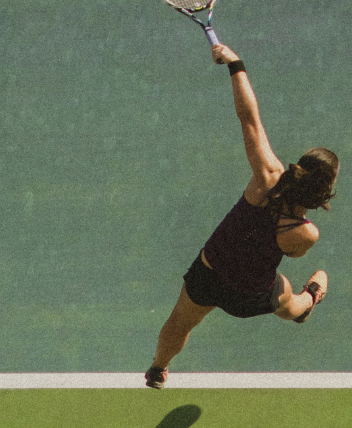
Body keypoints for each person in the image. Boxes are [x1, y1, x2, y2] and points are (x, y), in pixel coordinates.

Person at [145, 43, 339, 388]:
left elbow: (248, 117)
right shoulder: (306, 233)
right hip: (246, 295)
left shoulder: (267, 175)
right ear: (323, 193)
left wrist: (236, 65)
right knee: (288, 301)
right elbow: (290, 251)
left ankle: (158, 368)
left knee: (179, 323)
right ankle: (309, 300)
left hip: (210, 270)